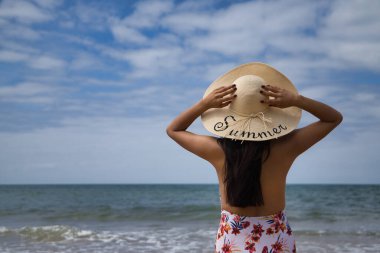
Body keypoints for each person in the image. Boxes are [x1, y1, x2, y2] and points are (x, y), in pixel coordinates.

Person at [166, 62, 343, 253]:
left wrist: (204, 105)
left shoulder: (218, 150)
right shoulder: (286, 146)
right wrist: (297, 100)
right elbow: (333, 118)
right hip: (277, 239)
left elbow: (173, 130)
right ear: (272, 111)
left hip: (232, 240)